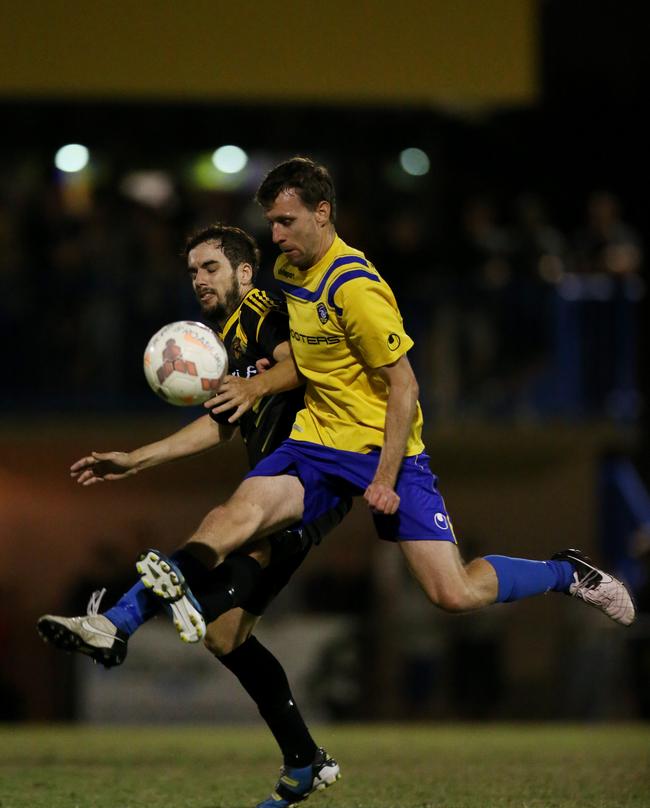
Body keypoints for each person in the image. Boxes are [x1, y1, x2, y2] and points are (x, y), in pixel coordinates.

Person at [129, 157, 635, 648]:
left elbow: (406, 387)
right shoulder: (286, 269)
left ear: (322, 213)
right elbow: (309, 351)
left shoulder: (355, 289)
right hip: (316, 441)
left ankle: (564, 572)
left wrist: (386, 479)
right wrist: (267, 372)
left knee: (452, 593)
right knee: (240, 513)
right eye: (272, 222)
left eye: (287, 220)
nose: (277, 235)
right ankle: (174, 581)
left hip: (384, 450)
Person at [37, 223, 345, 808]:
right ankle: (306, 760)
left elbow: (297, 368)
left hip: (310, 477)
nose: (199, 280)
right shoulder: (228, 339)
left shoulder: (262, 308)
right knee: (224, 635)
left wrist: (256, 389)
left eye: (209, 267)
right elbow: (220, 422)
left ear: (244, 272)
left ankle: (118, 622)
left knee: (221, 523)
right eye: (193, 272)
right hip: (282, 484)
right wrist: (136, 459)